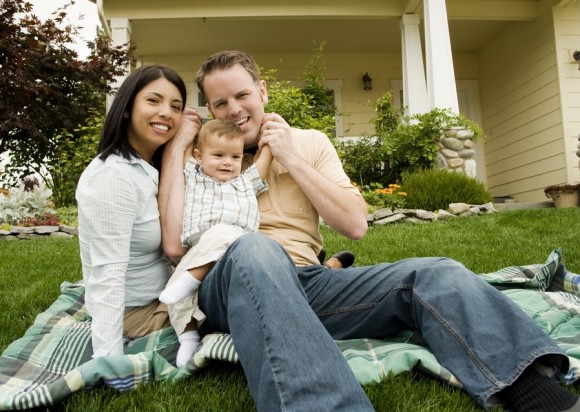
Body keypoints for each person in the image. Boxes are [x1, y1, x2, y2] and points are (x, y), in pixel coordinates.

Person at [159, 49, 580, 412]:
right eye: (220, 103)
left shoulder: (309, 142)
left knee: (436, 273)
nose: (234, 110)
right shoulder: (199, 158)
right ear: (210, 111)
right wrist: (178, 149)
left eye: (242, 95)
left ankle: (531, 388)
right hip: (227, 284)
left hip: (309, 283)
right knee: (254, 247)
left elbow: (355, 225)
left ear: (263, 91)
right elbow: (176, 246)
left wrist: (290, 156)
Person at [76, 64, 201, 357]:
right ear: (127, 108)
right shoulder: (113, 176)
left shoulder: (148, 168)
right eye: (153, 100)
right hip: (137, 313)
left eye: (176, 106)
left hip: (164, 295)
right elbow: (109, 272)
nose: (166, 113)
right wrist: (108, 359)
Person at [158, 118, 273, 367]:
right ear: (200, 156)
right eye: (218, 155)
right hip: (201, 248)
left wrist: (270, 140)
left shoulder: (244, 182)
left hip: (235, 246)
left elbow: (264, 162)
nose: (227, 162)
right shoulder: (194, 175)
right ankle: (188, 336)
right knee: (175, 291)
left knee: (223, 233)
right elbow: (185, 150)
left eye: (234, 157)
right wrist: (188, 127)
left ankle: (192, 279)